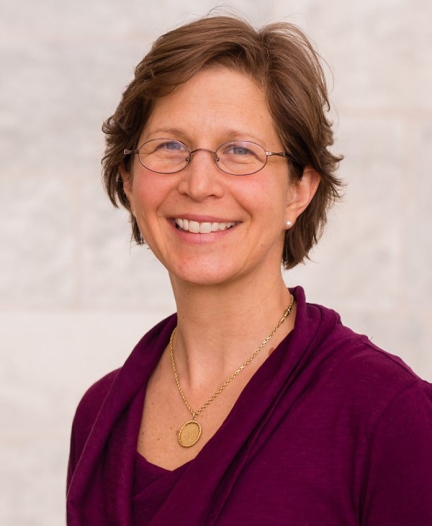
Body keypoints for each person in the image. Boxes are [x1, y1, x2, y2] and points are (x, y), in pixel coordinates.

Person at [66, 15, 432, 525]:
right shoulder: (101, 415)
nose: (199, 183)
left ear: (299, 189)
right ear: (128, 178)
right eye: (170, 145)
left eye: (240, 151)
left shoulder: (391, 415)